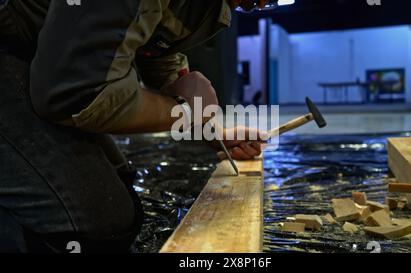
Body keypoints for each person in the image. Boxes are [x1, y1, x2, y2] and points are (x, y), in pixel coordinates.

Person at [0, 0, 271, 252]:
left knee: (121, 181)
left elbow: (155, 42)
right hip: (15, 48)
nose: (265, 3)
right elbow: (75, 96)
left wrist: (213, 132)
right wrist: (186, 113)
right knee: (95, 224)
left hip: (40, 57)